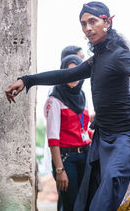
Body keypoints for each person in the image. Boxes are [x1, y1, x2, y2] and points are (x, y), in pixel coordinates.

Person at [5, 1, 130, 211]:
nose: (87, 28)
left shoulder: (120, 54)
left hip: (127, 136)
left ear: (107, 22)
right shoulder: (96, 60)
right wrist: (27, 80)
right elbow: (65, 75)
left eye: (93, 21)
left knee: (110, 182)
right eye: (83, 24)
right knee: (91, 195)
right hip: (103, 138)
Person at [44, 55, 91, 211]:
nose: (74, 77)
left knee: (85, 203)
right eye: (69, 72)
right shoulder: (55, 100)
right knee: (71, 205)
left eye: (77, 72)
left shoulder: (82, 96)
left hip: (85, 155)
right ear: (63, 73)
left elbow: (83, 127)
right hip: (66, 159)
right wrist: (60, 169)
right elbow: (53, 138)